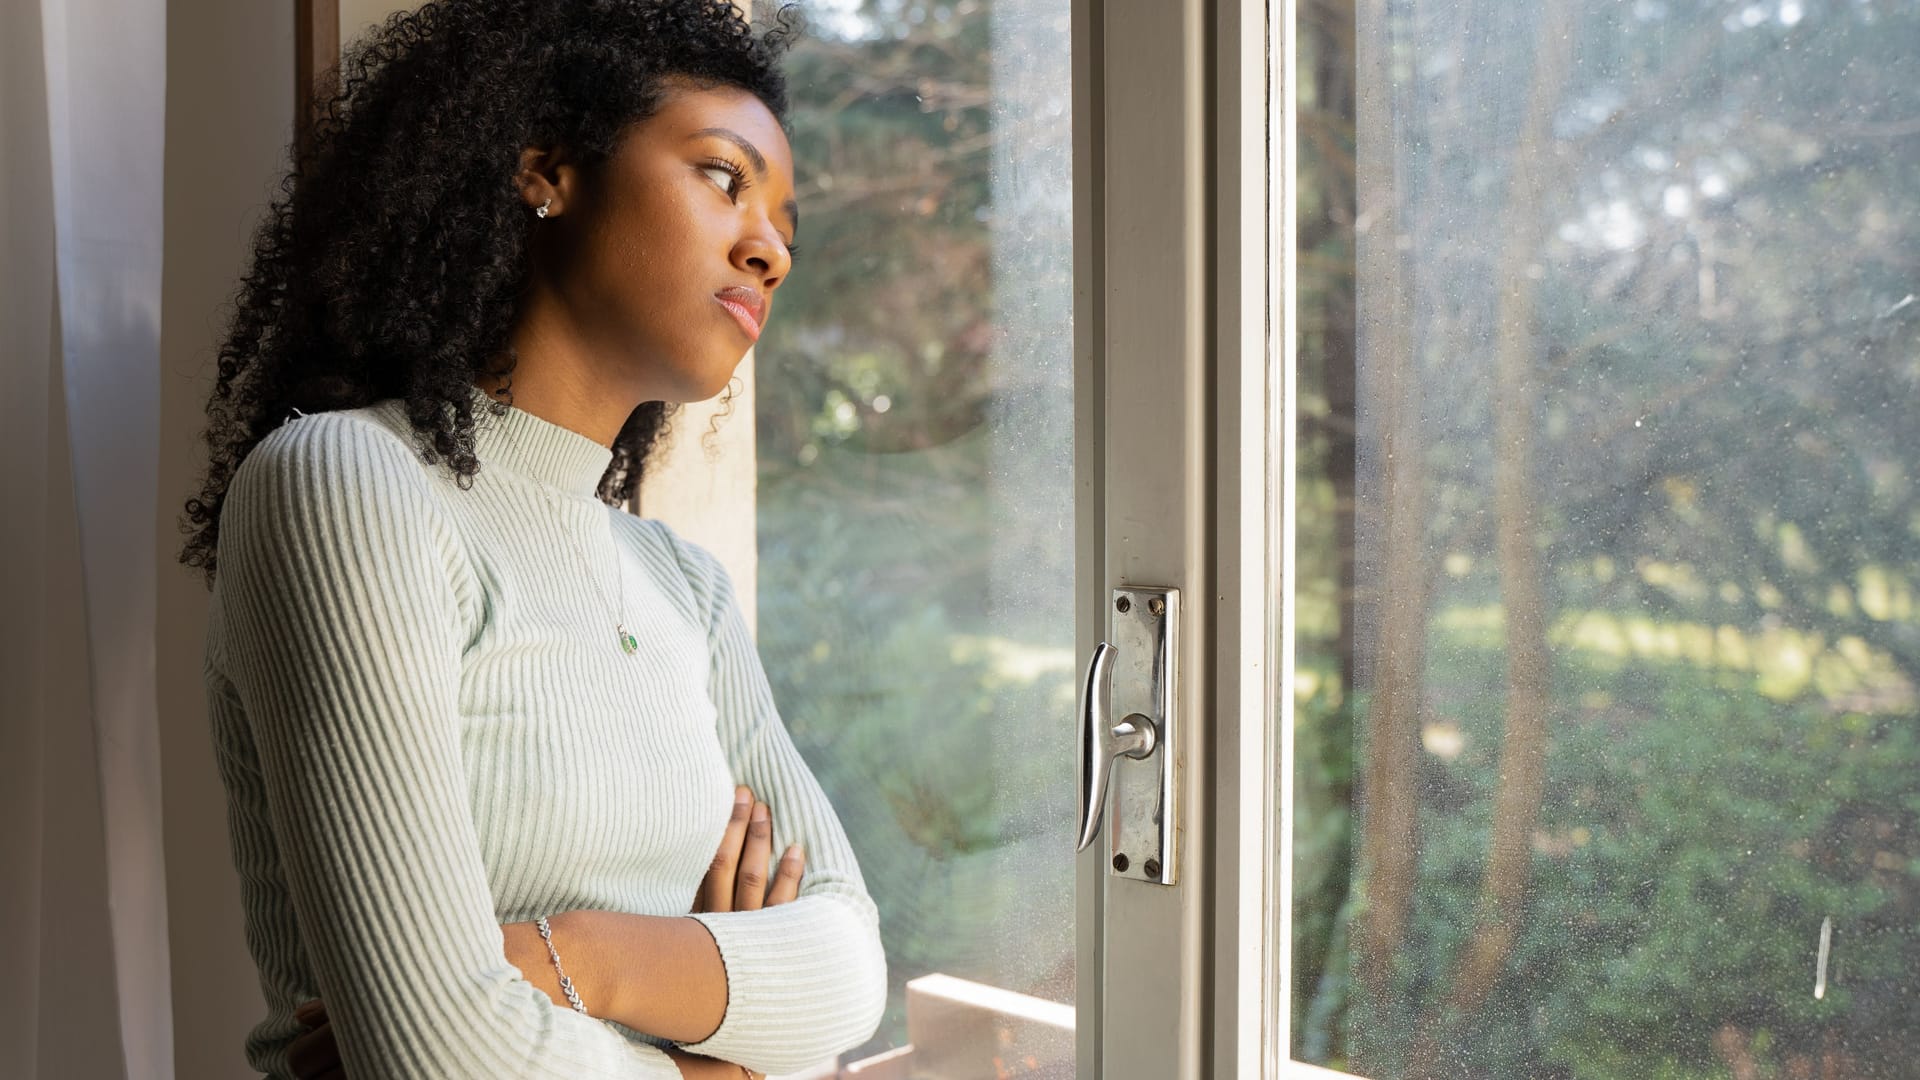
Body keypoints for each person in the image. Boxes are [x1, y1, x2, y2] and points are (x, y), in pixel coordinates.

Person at [179, 2, 886, 1076]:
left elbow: (846, 969)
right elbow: (442, 1057)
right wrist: (719, 1047)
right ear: (545, 170)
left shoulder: (679, 581)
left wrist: (571, 963)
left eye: (788, 222)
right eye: (725, 178)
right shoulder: (342, 483)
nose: (770, 249)